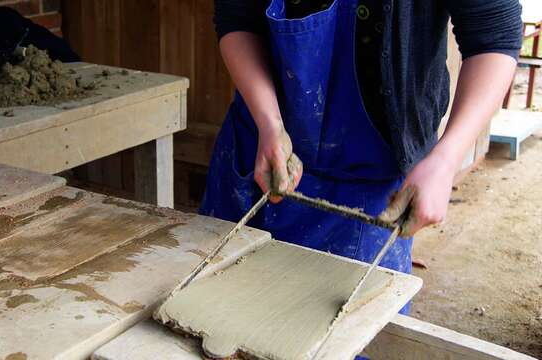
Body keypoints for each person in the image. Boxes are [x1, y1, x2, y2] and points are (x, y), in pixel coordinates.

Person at [200, 0, 522, 312]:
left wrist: (445, 159)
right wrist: (269, 123)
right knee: (213, 307)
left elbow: (494, 37)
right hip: (263, 147)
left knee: (339, 335)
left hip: (370, 183)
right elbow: (237, 19)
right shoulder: (265, 129)